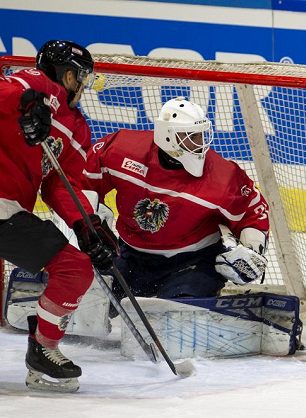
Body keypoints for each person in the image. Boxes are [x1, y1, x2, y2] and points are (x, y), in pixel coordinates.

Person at [0, 40, 117, 392]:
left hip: (8, 213)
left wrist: (85, 223)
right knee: (73, 269)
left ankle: (44, 348)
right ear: (68, 74)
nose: (84, 86)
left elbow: (60, 185)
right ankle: (44, 346)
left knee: (75, 267)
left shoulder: (77, 128)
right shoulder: (29, 83)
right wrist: (21, 103)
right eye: (82, 77)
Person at [82, 97, 270, 306]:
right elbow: (82, 184)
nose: (199, 144)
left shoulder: (222, 177)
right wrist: (89, 229)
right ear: (168, 137)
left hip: (192, 264)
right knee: (91, 302)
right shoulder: (121, 150)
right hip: (130, 256)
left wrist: (251, 250)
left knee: (176, 318)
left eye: (200, 136)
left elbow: (253, 212)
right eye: (191, 137)